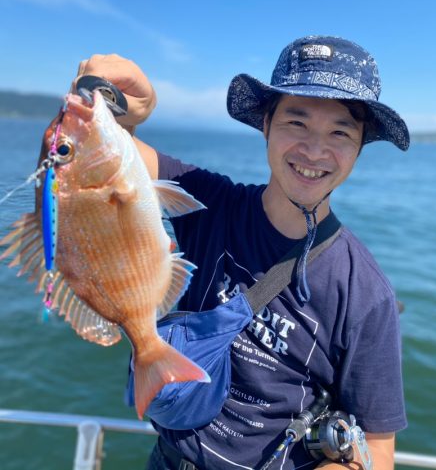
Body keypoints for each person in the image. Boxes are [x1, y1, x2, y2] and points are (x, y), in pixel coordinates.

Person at [76, 36, 409, 470]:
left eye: (340, 132)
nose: (314, 150)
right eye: (296, 122)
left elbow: (378, 452)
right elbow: (92, 155)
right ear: (266, 125)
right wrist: (101, 96)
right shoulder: (209, 203)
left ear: (360, 147)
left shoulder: (364, 291)